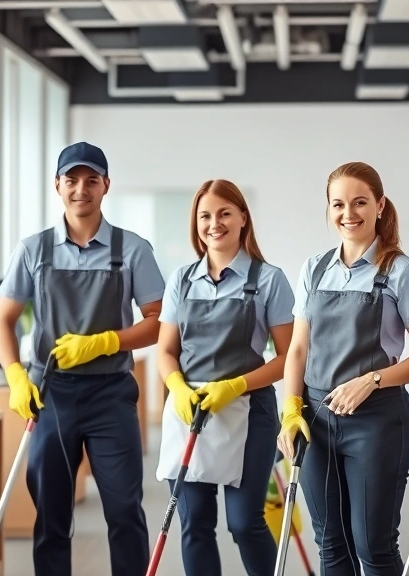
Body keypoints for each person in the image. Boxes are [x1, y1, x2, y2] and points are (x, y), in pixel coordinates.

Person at [0, 141, 166, 576]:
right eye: (72, 180)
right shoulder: (33, 250)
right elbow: (2, 322)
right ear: (58, 185)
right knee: (51, 514)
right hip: (52, 396)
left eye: (91, 180)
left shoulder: (133, 249)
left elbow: (159, 322)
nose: (81, 189)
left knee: (124, 511)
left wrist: (105, 342)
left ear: (106, 185)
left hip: (112, 395)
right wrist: (15, 376)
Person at [277, 161, 409, 576]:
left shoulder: (401, 271)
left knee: (373, 545)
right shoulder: (314, 268)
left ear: (380, 205)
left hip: (377, 423)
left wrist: (373, 379)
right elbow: (297, 349)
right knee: (330, 544)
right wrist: (290, 411)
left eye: (360, 202)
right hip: (316, 420)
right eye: (339, 204)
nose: (349, 213)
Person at [154, 179, 295, 576]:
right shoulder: (181, 280)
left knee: (244, 522)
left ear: (243, 218)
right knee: (195, 523)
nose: (214, 223)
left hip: (249, 410)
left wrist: (235, 385)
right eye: (205, 216)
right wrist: (178, 388)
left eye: (224, 213)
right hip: (190, 412)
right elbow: (166, 351)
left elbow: (288, 358)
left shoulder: (269, 280)